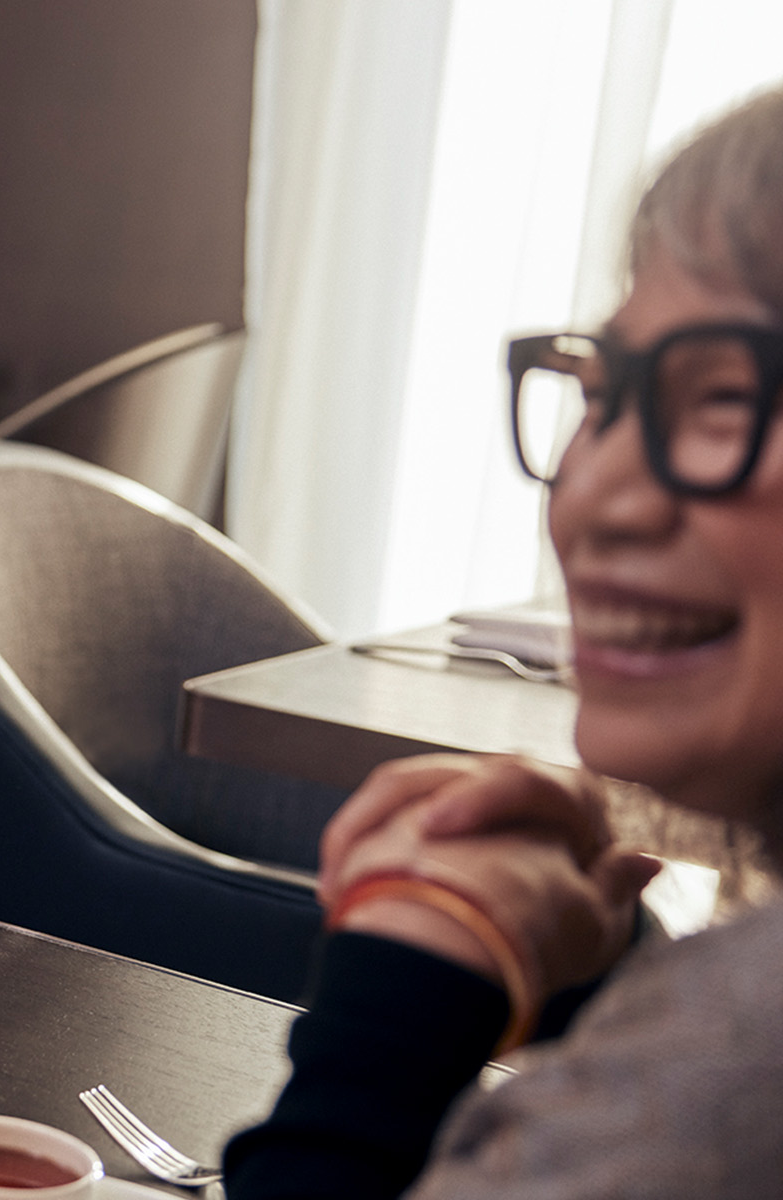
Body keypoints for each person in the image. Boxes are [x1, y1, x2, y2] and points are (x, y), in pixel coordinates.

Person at [226, 83, 783, 1197]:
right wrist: (612, 981)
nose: (593, 497)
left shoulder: (724, 1080)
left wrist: (395, 1013)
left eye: (722, 396)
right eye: (602, 389)